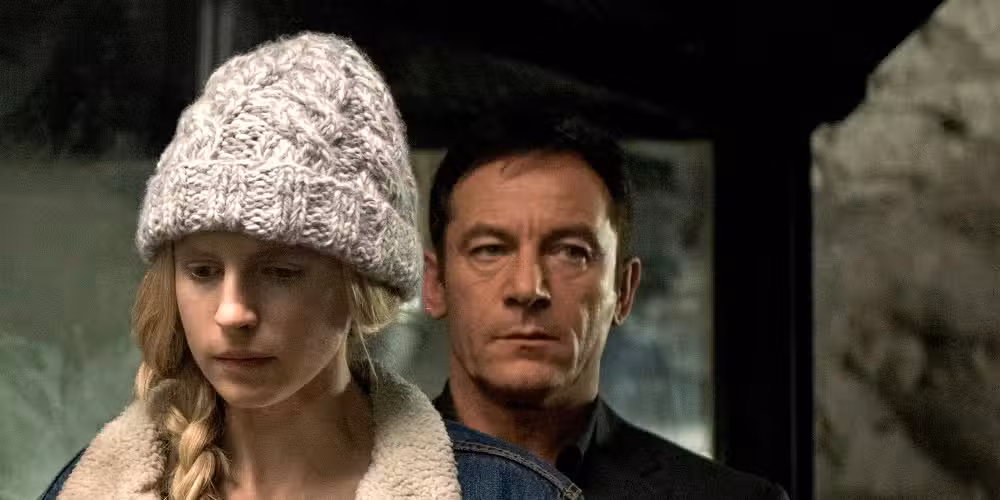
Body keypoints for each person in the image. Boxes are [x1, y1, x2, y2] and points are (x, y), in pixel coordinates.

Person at [40, 33, 581, 500]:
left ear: (360, 283)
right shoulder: (88, 487)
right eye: (203, 271)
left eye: (280, 273)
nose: (233, 313)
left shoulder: (510, 491)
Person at [422, 108, 790, 499]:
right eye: (490, 250)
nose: (528, 288)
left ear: (624, 290)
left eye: (571, 252)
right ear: (435, 284)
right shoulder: (372, 477)